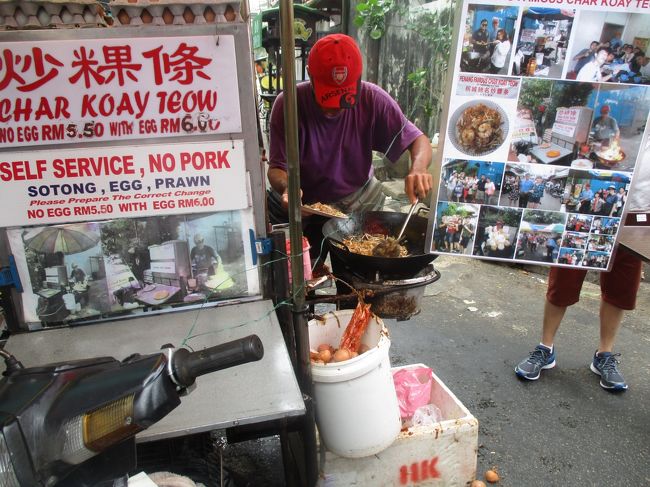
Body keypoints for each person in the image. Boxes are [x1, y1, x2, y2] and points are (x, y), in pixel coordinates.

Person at [267, 34, 433, 265]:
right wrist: (289, 190)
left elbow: (418, 140)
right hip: (308, 202)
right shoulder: (288, 105)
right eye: (327, 96)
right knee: (305, 272)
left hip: (361, 196)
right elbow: (276, 168)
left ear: (357, 79)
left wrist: (418, 168)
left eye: (344, 96)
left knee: (365, 269)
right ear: (310, 76)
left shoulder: (373, 98)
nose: (335, 108)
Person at [515, 247, 642, 391]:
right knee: (563, 277)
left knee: (619, 287)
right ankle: (545, 348)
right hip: (587, 227)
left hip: (633, 228)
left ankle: (604, 355)